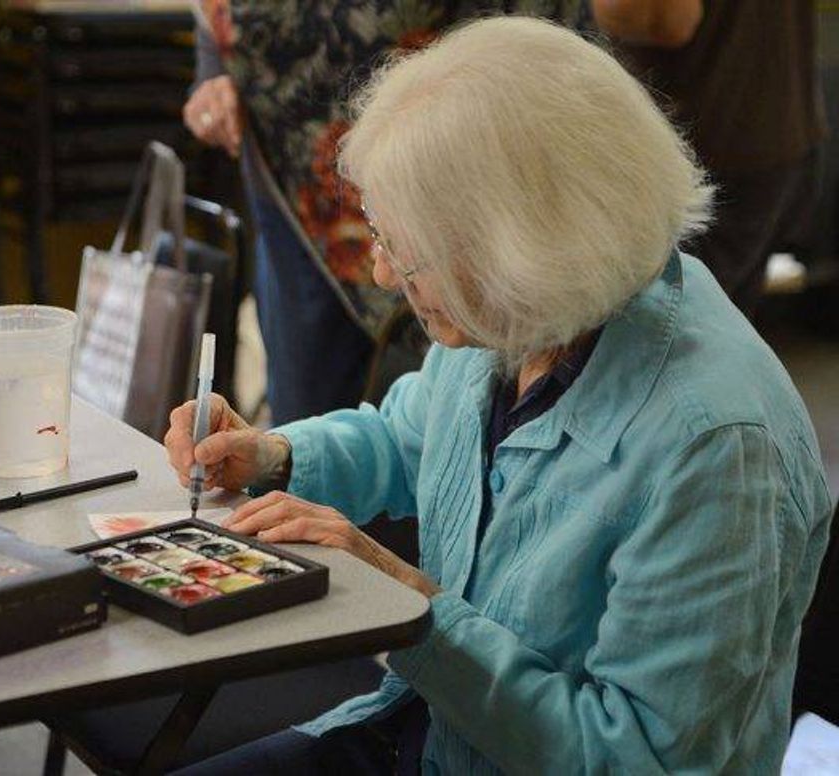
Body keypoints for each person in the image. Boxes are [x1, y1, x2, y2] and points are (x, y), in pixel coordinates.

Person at [165, 17, 833, 774]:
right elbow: (407, 437)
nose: (383, 275)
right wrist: (272, 455)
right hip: (425, 731)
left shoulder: (713, 450)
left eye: (402, 248)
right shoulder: (530, 316)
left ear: (520, 250)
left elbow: (634, 761)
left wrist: (411, 613)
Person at [183, 1, 589, 424]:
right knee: (309, 412)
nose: (384, 269)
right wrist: (213, 74)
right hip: (294, 200)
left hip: (455, 196)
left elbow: (545, 52)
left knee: (457, 421)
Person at [592, 0, 825, 318]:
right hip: (772, 123)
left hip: (697, 150)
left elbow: (659, 18)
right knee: (717, 332)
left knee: (654, 339)